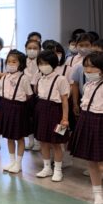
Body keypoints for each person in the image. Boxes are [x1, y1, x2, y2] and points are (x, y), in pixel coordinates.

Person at [69, 52, 103, 204]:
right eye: (86, 66)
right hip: (87, 119)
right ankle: (97, 193)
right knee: (91, 161)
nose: (88, 70)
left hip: (100, 121)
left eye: (93, 67)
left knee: (100, 162)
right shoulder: (87, 85)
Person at [34, 50, 70, 182]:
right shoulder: (40, 78)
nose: (43, 66)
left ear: (53, 63)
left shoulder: (61, 79)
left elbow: (65, 100)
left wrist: (65, 118)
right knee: (43, 141)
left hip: (56, 112)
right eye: (40, 63)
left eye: (46, 63)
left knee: (57, 142)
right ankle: (47, 167)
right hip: (41, 110)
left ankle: (58, 170)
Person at [0, 50, 33, 173]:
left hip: (18, 108)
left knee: (19, 137)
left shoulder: (24, 78)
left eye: (14, 62)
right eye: (9, 61)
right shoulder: (4, 77)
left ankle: (18, 163)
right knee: (9, 136)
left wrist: (18, 104)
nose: (10, 64)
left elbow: (29, 95)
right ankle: (12, 161)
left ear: (21, 63)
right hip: (5, 106)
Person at [24, 40, 41, 150]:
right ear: (25, 49)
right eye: (29, 48)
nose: (32, 50)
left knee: (37, 116)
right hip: (25, 89)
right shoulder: (22, 61)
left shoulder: (42, 62)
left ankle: (38, 141)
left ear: (39, 50)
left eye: (35, 48)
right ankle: (30, 140)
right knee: (27, 116)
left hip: (38, 90)